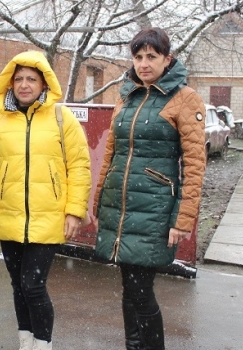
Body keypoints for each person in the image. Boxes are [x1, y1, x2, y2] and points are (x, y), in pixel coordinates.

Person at [93, 28, 206, 350]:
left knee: (140, 291)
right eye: (138, 56)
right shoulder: (126, 96)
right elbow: (111, 156)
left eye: (151, 57)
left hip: (154, 211)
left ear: (167, 59)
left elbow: (195, 166)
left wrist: (182, 219)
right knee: (130, 289)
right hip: (122, 207)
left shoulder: (184, 98)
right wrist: (101, 204)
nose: (144, 63)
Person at [0, 51, 92, 350]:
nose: (25, 85)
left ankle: (43, 345)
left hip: (48, 217)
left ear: (44, 83)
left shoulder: (61, 118)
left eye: (32, 79)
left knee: (33, 286)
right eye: (19, 79)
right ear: (10, 83)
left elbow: (79, 166)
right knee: (18, 286)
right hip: (9, 216)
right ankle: (25, 342)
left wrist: (74, 211)